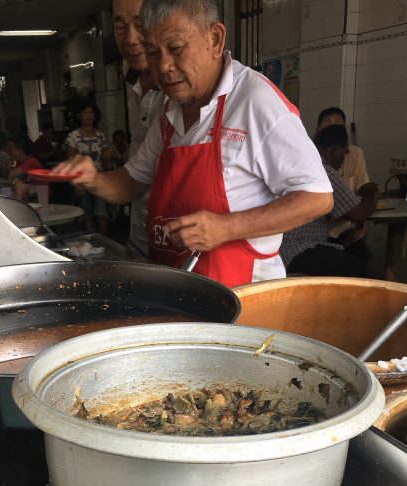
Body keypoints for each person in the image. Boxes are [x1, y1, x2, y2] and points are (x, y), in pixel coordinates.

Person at [53, 0, 332, 287]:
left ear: (215, 39)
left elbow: (317, 197)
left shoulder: (256, 102)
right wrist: (93, 179)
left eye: (175, 49)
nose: (163, 66)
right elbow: (132, 181)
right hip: (175, 286)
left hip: (240, 297)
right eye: (152, 53)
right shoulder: (167, 106)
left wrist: (226, 227)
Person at [280, 124, 379, 277]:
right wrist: (374, 191)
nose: (344, 160)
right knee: (359, 269)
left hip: (285, 247)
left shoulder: (299, 164)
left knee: (358, 251)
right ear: (334, 149)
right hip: (300, 247)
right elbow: (360, 212)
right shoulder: (323, 170)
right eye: (344, 153)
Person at [112, 0, 166, 258]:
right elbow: (137, 174)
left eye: (141, 24)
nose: (131, 39)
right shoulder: (129, 72)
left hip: (176, 246)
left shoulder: (184, 86)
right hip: (139, 232)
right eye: (120, 26)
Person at [316, 106, 371, 262]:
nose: (333, 128)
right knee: (352, 264)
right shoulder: (316, 162)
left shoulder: (354, 154)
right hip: (320, 233)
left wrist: (361, 226)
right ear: (318, 129)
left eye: (338, 125)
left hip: (344, 229)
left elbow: (362, 191)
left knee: (361, 255)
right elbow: (359, 209)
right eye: (328, 124)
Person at [65, 99, 109, 235]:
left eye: (91, 112)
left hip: (99, 179)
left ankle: (105, 244)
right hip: (82, 180)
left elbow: (104, 160)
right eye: (84, 112)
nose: (88, 115)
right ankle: (93, 244)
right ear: (79, 116)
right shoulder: (73, 136)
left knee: (102, 213)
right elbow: (70, 162)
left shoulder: (101, 135)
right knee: (87, 214)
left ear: (95, 115)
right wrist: (75, 183)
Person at [7, 135, 43, 202]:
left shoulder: (31, 161)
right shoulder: (21, 162)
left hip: (41, 198)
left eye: (11, 149)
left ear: (19, 150)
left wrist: (10, 162)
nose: (9, 152)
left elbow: (11, 175)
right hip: (32, 196)